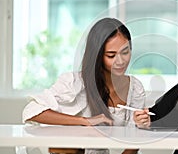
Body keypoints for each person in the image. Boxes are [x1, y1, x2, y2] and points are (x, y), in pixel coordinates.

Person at [22, 17, 146, 154]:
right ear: (97, 55)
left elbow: (135, 140)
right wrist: (85, 121)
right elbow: (31, 111)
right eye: (111, 55)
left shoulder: (135, 88)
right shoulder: (74, 82)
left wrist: (143, 125)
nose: (121, 61)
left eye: (125, 52)